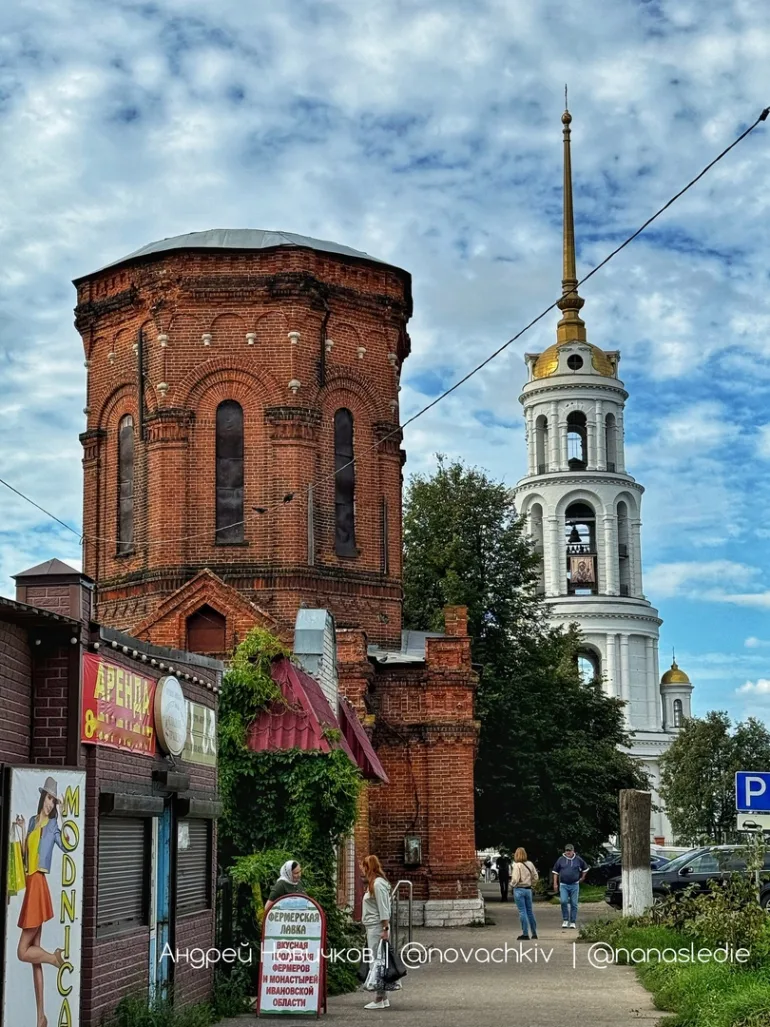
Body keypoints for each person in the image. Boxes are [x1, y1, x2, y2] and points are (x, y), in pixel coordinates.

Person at [15, 776, 66, 1027]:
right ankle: (41, 1017)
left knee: (23, 952)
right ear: (42, 798)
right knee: (33, 957)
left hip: (38, 885)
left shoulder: (54, 825)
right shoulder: (35, 821)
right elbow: (26, 856)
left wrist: (63, 815)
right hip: (31, 884)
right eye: (48, 798)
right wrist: (24, 829)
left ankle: (54, 959)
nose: (50, 804)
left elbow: (67, 846)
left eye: (54, 801)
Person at [361, 854, 396, 1011]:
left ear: (368, 867)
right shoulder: (376, 883)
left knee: (377, 962)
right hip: (374, 926)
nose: (362, 870)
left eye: (364, 867)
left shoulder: (377, 884)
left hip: (377, 927)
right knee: (379, 960)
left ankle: (379, 998)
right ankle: (384, 997)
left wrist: (385, 929)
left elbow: (383, 908)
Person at [552, 843, 589, 929]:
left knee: (574, 903)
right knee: (563, 901)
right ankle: (565, 919)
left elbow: (586, 868)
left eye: (570, 850)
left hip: (574, 884)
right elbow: (555, 872)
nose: (568, 852)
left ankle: (572, 921)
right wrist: (555, 883)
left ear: (573, 851)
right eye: (567, 850)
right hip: (563, 885)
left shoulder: (578, 859)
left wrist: (582, 877)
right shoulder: (561, 859)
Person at [510, 848, 539, 940]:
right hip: (528, 889)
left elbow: (515, 879)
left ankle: (525, 933)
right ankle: (534, 933)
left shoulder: (517, 865)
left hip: (519, 889)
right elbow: (535, 876)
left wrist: (512, 885)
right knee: (530, 911)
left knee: (522, 911)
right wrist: (532, 885)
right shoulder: (530, 864)